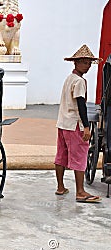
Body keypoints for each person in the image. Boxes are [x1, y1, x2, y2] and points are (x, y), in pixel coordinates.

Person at [54, 44, 102, 203]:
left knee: (61, 155)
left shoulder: (70, 78)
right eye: (84, 62)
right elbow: (81, 104)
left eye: (89, 63)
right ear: (76, 63)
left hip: (63, 123)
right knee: (80, 156)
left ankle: (60, 187)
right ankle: (80, 192)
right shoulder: (80, 81)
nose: (87, 66)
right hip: (74, 125)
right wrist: (86, 127)